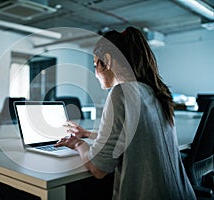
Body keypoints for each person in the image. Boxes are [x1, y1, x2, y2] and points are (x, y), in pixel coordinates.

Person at [55, 26, 196, 200]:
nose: (95, 73)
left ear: (107, 60)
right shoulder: (156, 91)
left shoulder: (121, 92)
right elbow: (135, 137)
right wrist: (87, 134)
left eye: (95, 65)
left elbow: (98, 169)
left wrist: (77, 144)